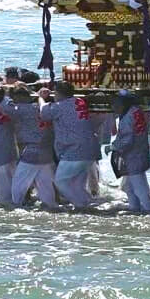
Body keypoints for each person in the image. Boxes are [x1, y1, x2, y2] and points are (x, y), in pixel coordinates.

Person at [38, 81, 101, 209]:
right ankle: (88, 204)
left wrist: (41, 98)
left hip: (74, 149)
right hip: (90, 148)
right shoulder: (79, 101)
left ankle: (81, 206)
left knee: (60, 181)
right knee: (77, 185)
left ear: (58, 93)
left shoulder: (60, 106)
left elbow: (44, 113)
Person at [3, 83, 58, 209]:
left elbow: (5, 108)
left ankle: (15, 208)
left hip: (31, 152)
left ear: (17, 98)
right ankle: (52, 207)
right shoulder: (40, 107)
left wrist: (6, 95)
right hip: (46, 152)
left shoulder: (21, 109)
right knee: (45, 188)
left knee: (18, 186)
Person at [107, 89, 150, 213]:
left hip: (133, 156)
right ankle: (135, 208)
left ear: (124, 104)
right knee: (128, 186)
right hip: (139, 152)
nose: (114, 106)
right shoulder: (135, 111)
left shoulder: (128, 117)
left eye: (116, 104)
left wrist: (113, 147)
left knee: (139, 187)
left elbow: (127, 139)